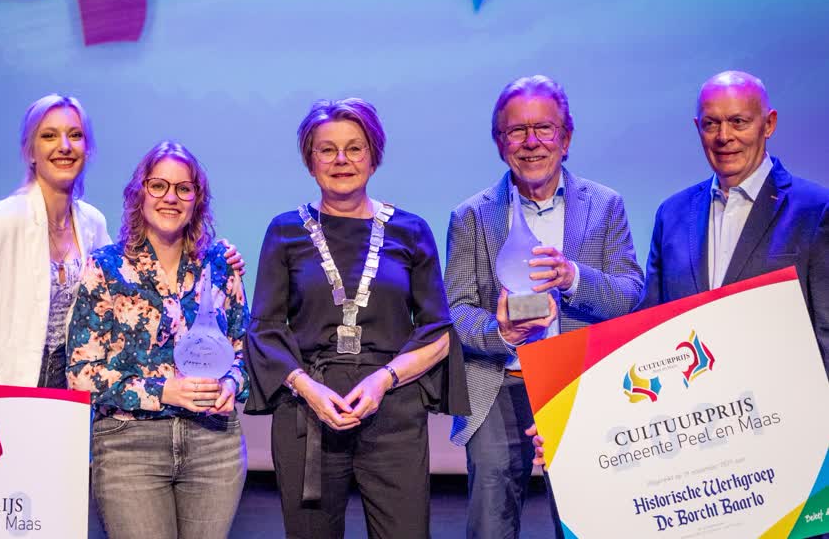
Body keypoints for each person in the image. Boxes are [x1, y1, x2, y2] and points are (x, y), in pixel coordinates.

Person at [244, 98, 469, 539]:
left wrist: (383, 380)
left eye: (354, 148)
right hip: (309, 410)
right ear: (310, 161)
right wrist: (309, 390)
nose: (341, 160)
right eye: (327, 150)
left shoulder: (411, 230)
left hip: (393, 408)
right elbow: (264, 329)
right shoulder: (284, 230)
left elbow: (438, 332)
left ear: (374, 156)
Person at [444, 75, 644, 538]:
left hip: (581, 384)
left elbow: (631, 293)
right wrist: (501, 333)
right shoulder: (471, 215)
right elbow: (456, 310)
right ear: (500, 142)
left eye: (544, 129)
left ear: (566, 138)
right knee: (490, 524)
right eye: (517, 131)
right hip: (500, 383)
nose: (531, 142)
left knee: (589, 523)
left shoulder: (605, 205)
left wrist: (573, 277)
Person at [67, 141, 249, 539]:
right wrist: (165, 391)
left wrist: (231, 385)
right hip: (130, 443)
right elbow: (81, 374)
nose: (171, 197)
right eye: (158, 186)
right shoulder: (106, 267)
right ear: (140, 193)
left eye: (184, 188)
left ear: (197, 199)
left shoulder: (220, 265)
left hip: (213, 442)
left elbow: (243, 352)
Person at [640, 70, 829, 375]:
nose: (724, 136)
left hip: (783, 400)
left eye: (738, 121)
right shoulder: (672, 214)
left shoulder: (816, 210)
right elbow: (648, 329)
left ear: (769, 124)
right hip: (694, 401)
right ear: (697, 128)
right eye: (711, 124)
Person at [0, 94, 111, 391]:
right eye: (49, 135)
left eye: (75, 135)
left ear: (87, 149)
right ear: (31, 152)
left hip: (65, 390)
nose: (64, 146)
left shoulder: (94, 223)